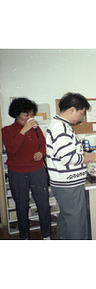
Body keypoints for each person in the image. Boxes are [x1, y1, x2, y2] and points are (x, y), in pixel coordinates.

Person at [46, 92, 96, 240]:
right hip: (68, 184)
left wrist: (85, 152)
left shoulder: (60, 125)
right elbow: (69, 158)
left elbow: (69, 151)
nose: (81, 117)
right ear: (72, 110)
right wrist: (92, 157)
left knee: (67, 220)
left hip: (64, 183)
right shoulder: (61, 128)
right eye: (81, 113)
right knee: (77, 222)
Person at [1, 97, 51, 240]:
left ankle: (47, 236)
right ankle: (24, 237)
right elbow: (12, 149)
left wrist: (41, 153)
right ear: (16, 114)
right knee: (21, 207)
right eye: (26, 115)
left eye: (31, 114)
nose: (29, 118)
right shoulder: (7, 130)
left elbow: (43, 145)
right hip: (17, 173)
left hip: (37, 170)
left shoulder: (36, 129)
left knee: (43, 205)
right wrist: (24, 130)